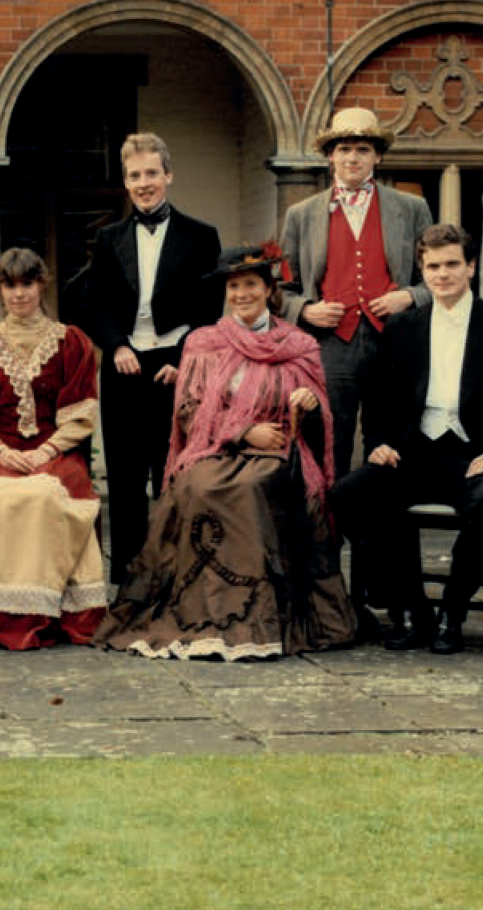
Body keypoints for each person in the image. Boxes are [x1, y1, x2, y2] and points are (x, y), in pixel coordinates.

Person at [97, 244, 357, 660]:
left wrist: (306, 405)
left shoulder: (299, 343)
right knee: (192, 486)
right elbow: (189, 409)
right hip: (218, 446)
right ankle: (202, 611)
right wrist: (244, 432)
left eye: (251, 285)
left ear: (269, 289)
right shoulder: (205, 342)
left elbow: (319, 419)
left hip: (278, 451)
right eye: (234, 287)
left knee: (250, 489)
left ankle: (253, 619)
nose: (242, 295)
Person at [330, 224, 483, 654]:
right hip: (415, 454)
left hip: (479, 456)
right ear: (423, 271)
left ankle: (452, 612)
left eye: (452, 264)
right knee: (350, 495)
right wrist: (378, 442)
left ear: (471, 267)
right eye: (433, 266)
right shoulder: (401, 327)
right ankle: (414, 609)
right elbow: (378, 400)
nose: (443, 274)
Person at [280, 107, 433, 634]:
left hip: (393, 346)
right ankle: (329, 591)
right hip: (332, 348)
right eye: (343, 149)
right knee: (330, 461)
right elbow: (282, 289)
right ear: (329, 157)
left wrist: (408, 296)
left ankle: (375, 590)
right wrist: (306, 309)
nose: (352, 158)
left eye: (362, 149)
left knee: (383, 460)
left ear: (377, 158)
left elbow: (435, 277)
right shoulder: (302, 214)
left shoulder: (410, 207)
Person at [0, 248, 108, 651]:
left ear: (42, 285)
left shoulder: (71, 341)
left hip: (55, 452)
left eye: (27, 284)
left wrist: (45, 451)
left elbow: (81, 414)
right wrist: (0, 451)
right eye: (10, 285)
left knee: (45, 495)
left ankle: (49, 612)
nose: (19, 294)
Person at [83, 132, 221, 586]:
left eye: (151, 173)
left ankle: (176, 575)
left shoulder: (200, 236)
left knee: (173, 473)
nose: (143, 183)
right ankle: (128, 581)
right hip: (125, 365)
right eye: (134, 175)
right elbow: (94, 303)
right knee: (124, 479)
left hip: (175, 366)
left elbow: (209, 308)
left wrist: (184, 359)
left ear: (168, 175)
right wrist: (116, 346)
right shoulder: (109, 238)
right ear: (126, 182)